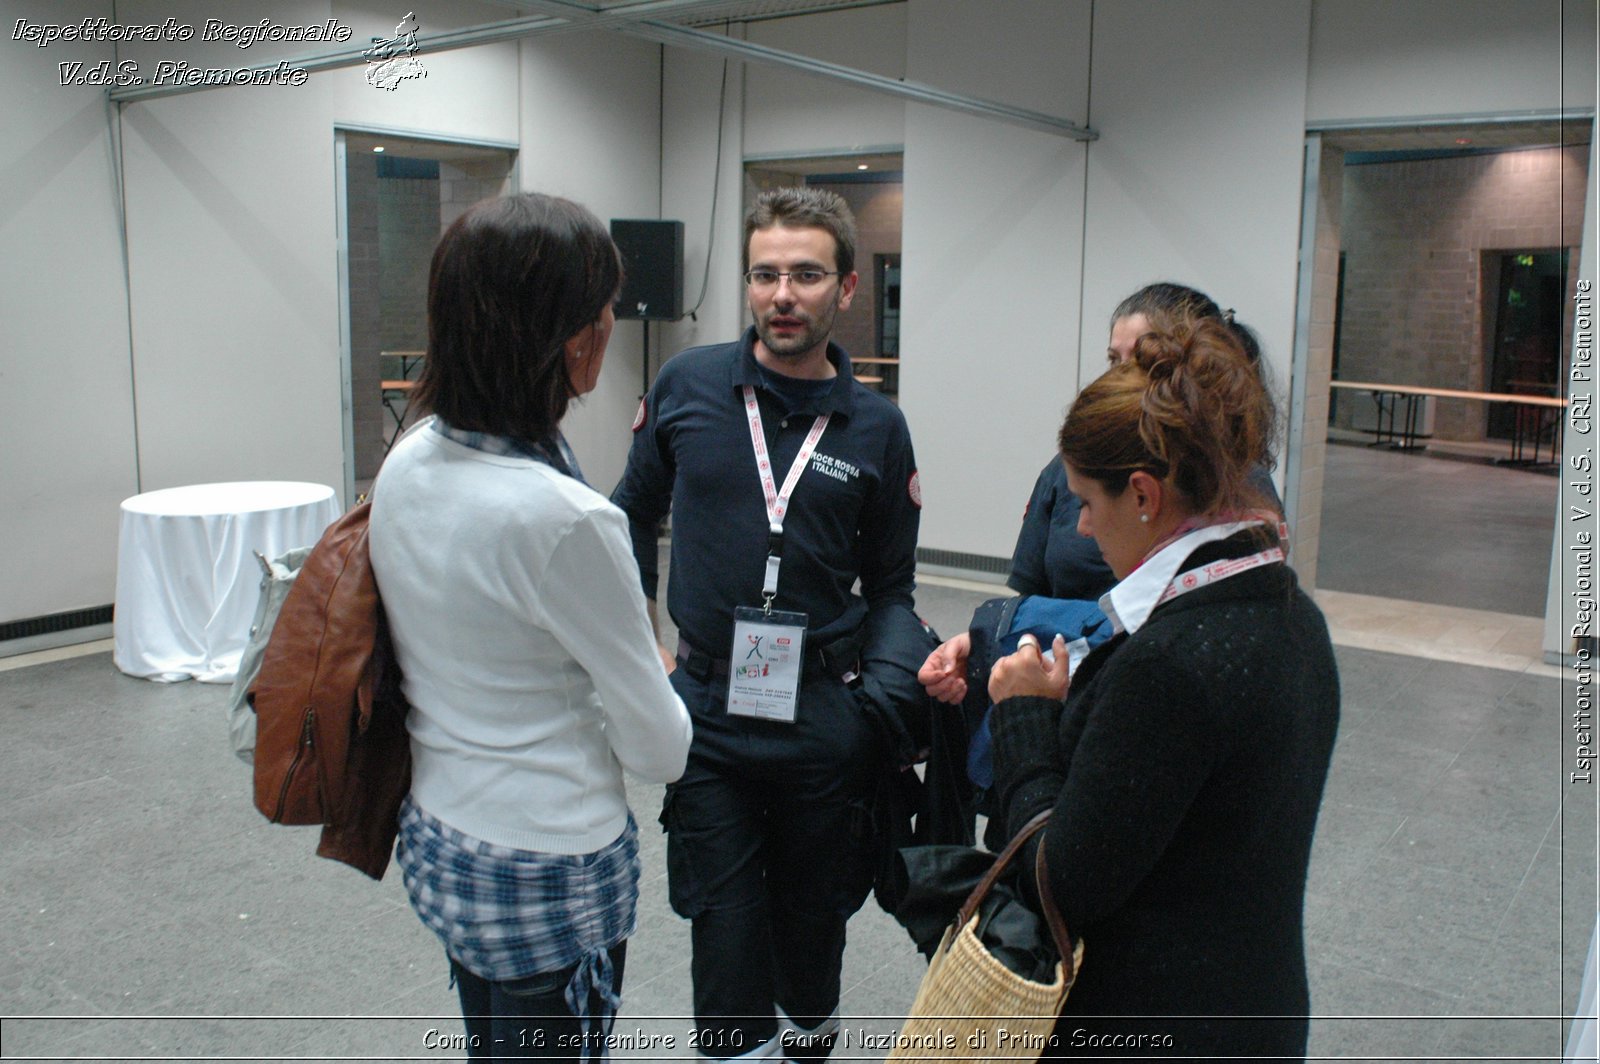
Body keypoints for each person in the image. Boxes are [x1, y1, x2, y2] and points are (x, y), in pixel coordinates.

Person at [368, 193, 693, 1061]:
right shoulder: (568, 521)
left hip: (441, 839)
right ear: (577, 339)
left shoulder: (408, 458)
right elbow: (659, 752)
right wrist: (654, 670)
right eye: (604, 311)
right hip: (551, 867)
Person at [610, 186, 922, 1061]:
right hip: (707, 709)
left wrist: (882, 703)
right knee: (724, 923)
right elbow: (627, 512)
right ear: (747, 285)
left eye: (807, 275)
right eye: (765, 274)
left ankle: (809, 1040)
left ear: (847, 290)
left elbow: (893, 587)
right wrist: (644, 645)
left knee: (814, 923)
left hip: (824, 717)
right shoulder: (687, 386)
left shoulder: (878, 428)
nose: (783, 293)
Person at [984, 316, 1340, 1059]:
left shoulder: (1171, 664)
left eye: (1085, 502)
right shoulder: (1294, 619)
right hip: (1256, 1008)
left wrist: (1023, 718)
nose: (1079, 528)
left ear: (1143, 494)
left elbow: (1063, 881)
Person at [921, 282, 1275, 706]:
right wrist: (986, 642)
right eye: (1113, 359)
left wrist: (1026, 635)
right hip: (1060, 689)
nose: (1122, 376)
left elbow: (1204, 630)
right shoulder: (1068, 470)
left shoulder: (1235, 487)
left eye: (1144, 359)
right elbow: (1027, 597)